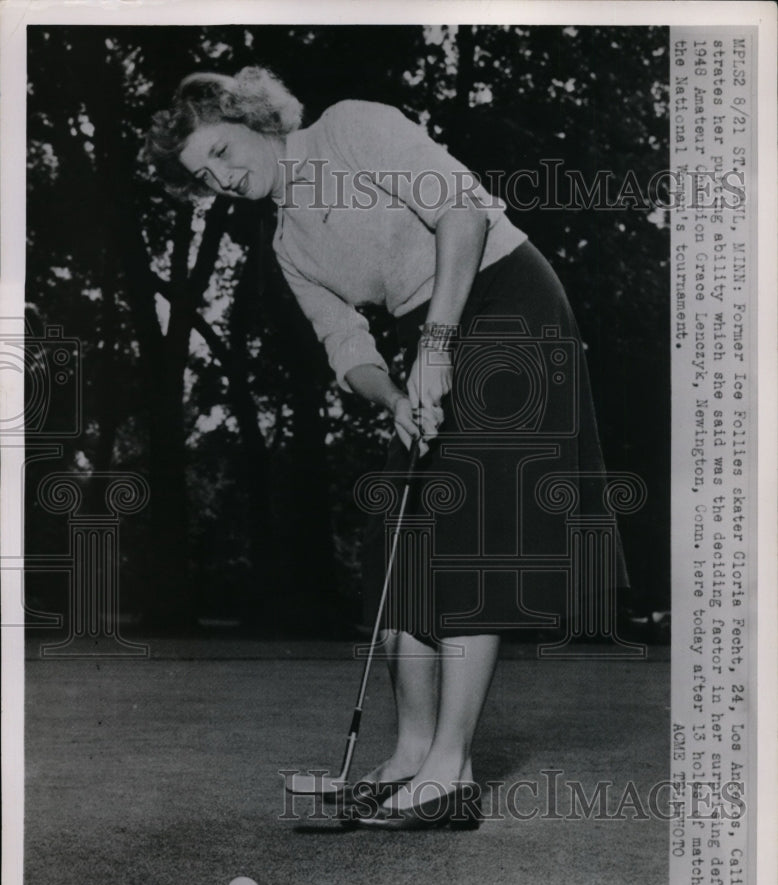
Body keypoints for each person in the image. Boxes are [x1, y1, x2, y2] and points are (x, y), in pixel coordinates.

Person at [145, 66, 625, 830]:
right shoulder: (288, 243)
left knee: (469, 531)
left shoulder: (349, 127)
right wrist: (396, 397)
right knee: (397, 539)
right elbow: (346, 344)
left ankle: (451, 772)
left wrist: (436, 343)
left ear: (255, 120)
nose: (224, 179)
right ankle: (409, 754)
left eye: (223, 152)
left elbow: (463, 216)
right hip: (425, 338)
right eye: (206, 176)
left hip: (503, 298)